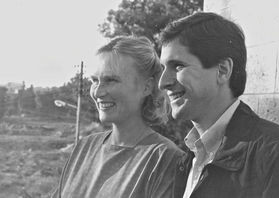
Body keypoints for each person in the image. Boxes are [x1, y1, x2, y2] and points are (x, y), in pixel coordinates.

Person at [158, 12, 279, 198]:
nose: (162, 82)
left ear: (223, 70)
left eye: (178, 66)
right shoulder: (189, 157)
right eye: (163, 68)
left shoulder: (276, 156)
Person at [51, 36, 184, 198]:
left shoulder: (164, 159)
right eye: (95, 80)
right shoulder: (85, 147)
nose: (98, 92)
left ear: (147, 87)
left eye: (111, 80)